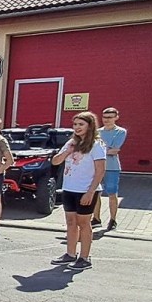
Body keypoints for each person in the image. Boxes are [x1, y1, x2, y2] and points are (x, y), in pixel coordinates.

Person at [51, 111, 107, 270]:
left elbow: (100, 171)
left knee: (84, 223)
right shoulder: (70, 143)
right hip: (69, 189)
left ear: (90, 126)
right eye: (75, 124)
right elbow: (55, 162)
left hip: (86, 190)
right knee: (71, 222)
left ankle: (85, 257)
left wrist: (90, 192)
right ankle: (70, 253)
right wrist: (68, 151)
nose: (77, 127)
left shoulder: (96, 145)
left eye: (81, 124)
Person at [93, 107, 127, 231]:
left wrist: (102, 150)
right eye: (104, 117)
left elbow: (115, 150)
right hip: (97, 167)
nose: (106, 120)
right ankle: (96, 218)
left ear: (116, 117)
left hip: (112, 167)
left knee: (112, 194)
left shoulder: (120, 132)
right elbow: (94, 149)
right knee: (95, 193)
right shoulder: (97, 132)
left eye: (110, 117)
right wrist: (106, 150)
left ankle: (113, 220)